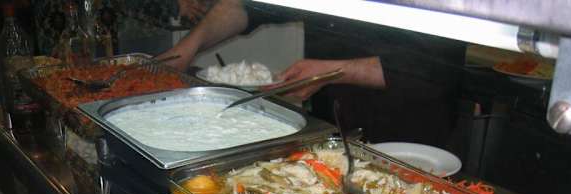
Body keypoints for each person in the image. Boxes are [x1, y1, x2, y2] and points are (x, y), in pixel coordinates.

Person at [158, 0, 465, 146]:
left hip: (411, 139)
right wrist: (186, 49)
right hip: (334, 124)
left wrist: (332, 71)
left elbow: (435, 67)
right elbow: (246, 7)